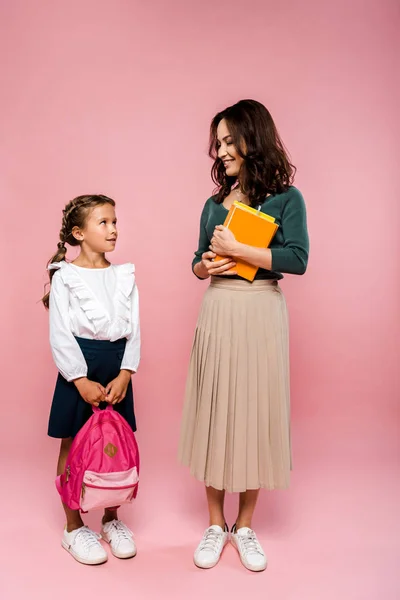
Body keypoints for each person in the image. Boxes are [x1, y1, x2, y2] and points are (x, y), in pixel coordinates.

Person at [178, 99, 309, 572]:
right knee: (216, 408)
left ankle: (245, 526)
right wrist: (205, 264)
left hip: (261, 311)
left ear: (254, 137)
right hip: (218, 306)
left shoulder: (286, 199)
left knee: (253, 410)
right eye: (218, 142)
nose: (222, 149)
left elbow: (297, 258)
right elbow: (195, 260)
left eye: (230, 139)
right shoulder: (214, 205)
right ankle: (215, 524)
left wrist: (242, 249)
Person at [42, 194, 140, 565]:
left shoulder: (124, 274)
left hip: (115, 370)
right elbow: (60, 334)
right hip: (79, 369)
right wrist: (79, 379)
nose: (113, 229)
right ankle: (72, 527)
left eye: (115, 222)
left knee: (114, 443)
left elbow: (135, 329)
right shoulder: (66, 277)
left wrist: (127, 372)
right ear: (78, 233)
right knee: (74, 443)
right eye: (104, 223)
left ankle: (111, 520)